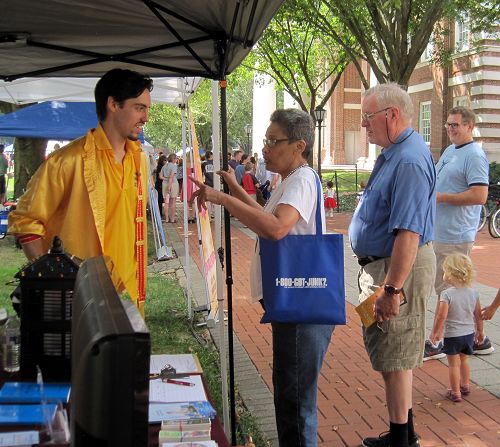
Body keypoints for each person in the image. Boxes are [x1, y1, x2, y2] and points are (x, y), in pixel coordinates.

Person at [190, 108, 334, 447]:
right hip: (295, 304)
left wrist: (221, 197)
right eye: (265, 141)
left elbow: (275, 228)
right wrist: (233, 189)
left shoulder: (301, 180)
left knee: (295, 405)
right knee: (289, 396)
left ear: (299, 145)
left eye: (273, 141)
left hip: (302, 308)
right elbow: (263, 214)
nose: (266, 148)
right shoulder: (291, 181)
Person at [8, 68, 153, 315]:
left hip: (123, 293)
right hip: (74, 295)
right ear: (113, 104)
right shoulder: (67, 161)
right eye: (139, 108)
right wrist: (52, 283)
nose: (146, 117)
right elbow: (26, 221)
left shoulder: (139, 159)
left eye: (147, 109)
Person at [348, 83, 436, 447]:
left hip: (396, 271)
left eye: (368, 117)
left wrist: (392, 289)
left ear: (392, 115)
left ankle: (401, 439)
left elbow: (409, 234)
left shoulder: (409, 160)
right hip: (383, 269)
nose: (363, 124)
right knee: (389, 351)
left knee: (396, 355)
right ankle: (404, 429)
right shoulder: (396, 152)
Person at [424, 107, 490, 361]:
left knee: (451, 290)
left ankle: (442, 340)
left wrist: (442, 198)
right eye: (449, 125)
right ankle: (474, 337)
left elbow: (479, 195)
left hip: (455, 234)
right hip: (439, 232)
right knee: (447, 288)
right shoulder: (451, 151)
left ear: (470, 126)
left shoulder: (474, 155)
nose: (450, 129)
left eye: (456, 125)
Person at [430, 253, 484, 402]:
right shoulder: (474, 293)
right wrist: (480, 331)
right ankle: (465, 385)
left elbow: (441, 316)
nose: (443, 273)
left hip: (453, 335)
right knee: (465, 360)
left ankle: (455, 392)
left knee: (453, 364)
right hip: (468, 334)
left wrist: (435, 332)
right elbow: (478, 314)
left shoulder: (446, 294)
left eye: (445, 271)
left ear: (451, 274)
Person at [160, 153, 179, 223]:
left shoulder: (164, 166)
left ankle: (167, 219)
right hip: (173, 184)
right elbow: (171, 177)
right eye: (176, 158)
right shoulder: (174, 166)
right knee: (173, 202)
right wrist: (169, 186)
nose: (176, 160)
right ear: (173, 159)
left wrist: (165, 179)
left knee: (166, 202)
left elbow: (160, 176)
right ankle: (172, 219)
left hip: (164, 184)